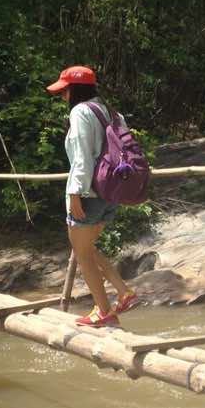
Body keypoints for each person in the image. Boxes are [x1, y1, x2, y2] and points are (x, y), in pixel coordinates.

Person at [47, 65, 139, 327]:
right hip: (112, 190)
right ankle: (123, 291)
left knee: (82, 251)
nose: (63, 96)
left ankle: (103, 310)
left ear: (74, 90)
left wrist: (75, 193)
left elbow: (81, 157)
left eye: (65, 90)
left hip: (89, 191)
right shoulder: (113, 112)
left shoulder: (80, 112)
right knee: (86, 246)